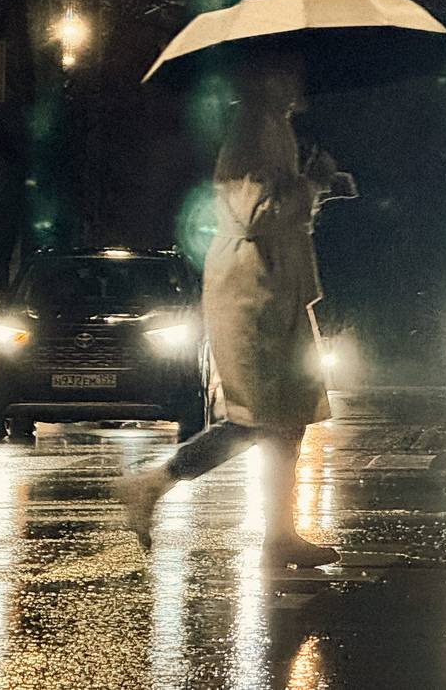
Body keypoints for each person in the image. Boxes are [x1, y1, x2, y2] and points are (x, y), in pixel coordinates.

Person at [114, 61, 357, 568]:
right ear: (269, 75)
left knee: (289, 419)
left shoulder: (273, 125)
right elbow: (254, 215)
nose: (300, 79)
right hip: (253, 295)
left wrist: (318, 186)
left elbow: (277, 209)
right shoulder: (253, 128)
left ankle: (280, 535)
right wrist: (311, 184)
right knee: (259, 418)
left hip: (275, 292)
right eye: (290, 70)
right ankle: (153, 484)